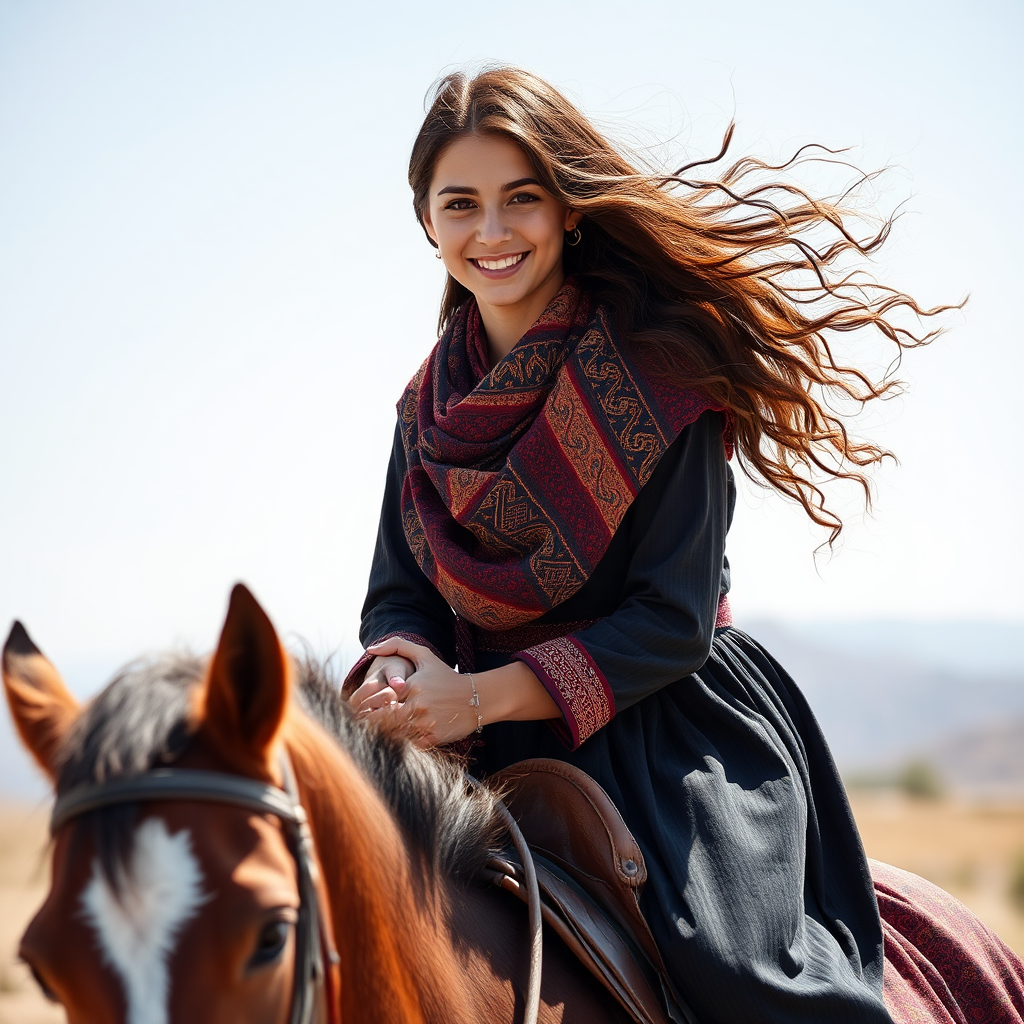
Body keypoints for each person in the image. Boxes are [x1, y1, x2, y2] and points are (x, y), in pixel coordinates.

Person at [343, 67, 939, 1023]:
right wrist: (401, 669)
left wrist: (475, 699)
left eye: (520, 200)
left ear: (568, 211)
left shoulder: (664, 373)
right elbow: (399, 592)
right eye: (461, 205)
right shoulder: (424, 410)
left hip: (666, 731)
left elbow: (673, 619)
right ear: (426, 222)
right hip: (469, 732)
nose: (491, 232)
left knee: (753, 989)